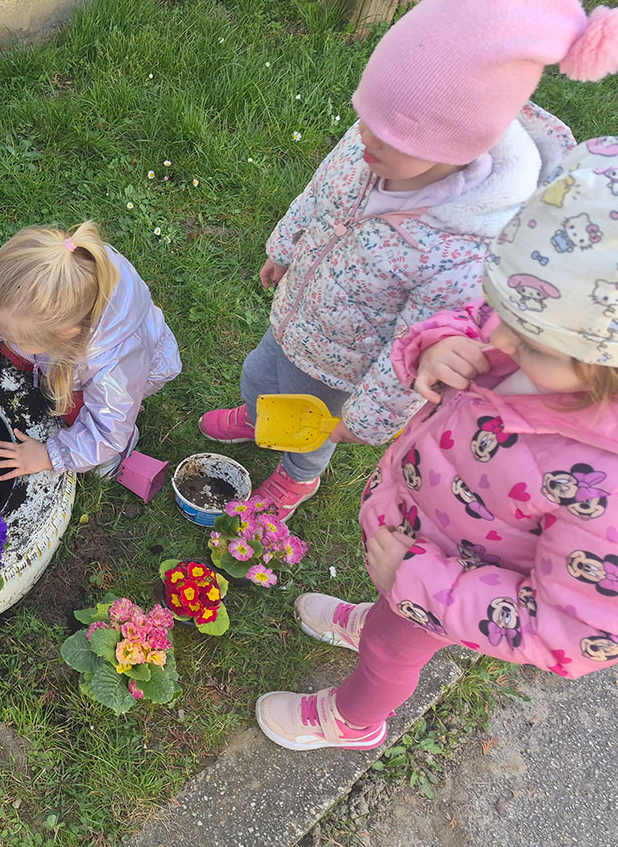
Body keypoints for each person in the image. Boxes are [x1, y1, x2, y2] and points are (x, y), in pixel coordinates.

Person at [197, 0, 618, 520]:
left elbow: (415, 358)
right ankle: (255, 416)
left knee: (309, 425)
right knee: (263, 370)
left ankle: (296, 479)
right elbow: (321, 191)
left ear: (457, 145)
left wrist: (358, 423)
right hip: (299, 311)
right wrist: (285, 245)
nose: (365, 137)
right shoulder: (379, 139)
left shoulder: (464, 253)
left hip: (343, 365)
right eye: (364, 115)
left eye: (386, 133)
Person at [255, 140, 618, 751]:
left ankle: (352, 721)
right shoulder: (539, 328)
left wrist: (419, 580)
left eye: (527, 342)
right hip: (421, 526)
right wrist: (437, 340)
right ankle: (376, 615)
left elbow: (569, 630)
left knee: (390, 655)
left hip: (455, 581)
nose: (496, 336)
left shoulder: (605, 493)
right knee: (389, 621)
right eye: (500, 306)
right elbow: (475, 318)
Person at [0, 220, 181, 480]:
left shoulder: (113, 367)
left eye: (14, 337)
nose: (2, 339)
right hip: (66, 351)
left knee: (77, 410)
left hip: (123, 376)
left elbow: (107, 430)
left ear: (66, 336)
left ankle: (122, 450)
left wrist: (48, 455)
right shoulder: (30, 296)